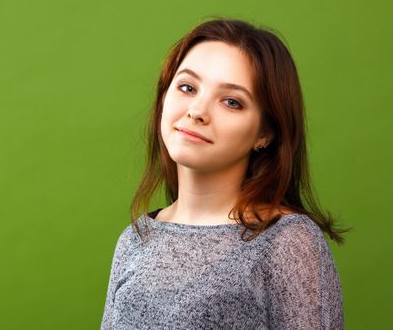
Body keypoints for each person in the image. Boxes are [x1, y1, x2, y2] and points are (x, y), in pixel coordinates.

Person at [101, 17, 351, 330]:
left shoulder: (286, 240)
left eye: (232, 102)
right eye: (187, 87)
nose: (197, 111)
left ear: (266, 133)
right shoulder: (136, 239)